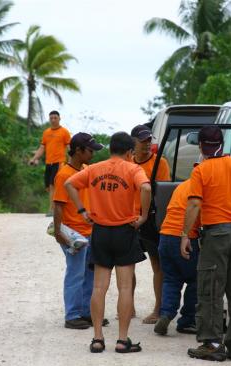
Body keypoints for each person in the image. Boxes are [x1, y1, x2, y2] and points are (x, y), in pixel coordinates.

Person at [180, 125, 231, 362]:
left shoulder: (201, 170)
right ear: (222, 144)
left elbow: (194, 204)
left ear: (201, 146)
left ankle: (213, 344)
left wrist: (185, 234)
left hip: (216, 236)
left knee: (211, 289)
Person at [65, 132, 151, 353]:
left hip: (100, 231)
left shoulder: (93, 169)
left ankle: (97, 338)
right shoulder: (133, 169)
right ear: (130, 151)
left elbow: (69, 184)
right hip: (125, 230)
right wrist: (142, 217)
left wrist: (83, 211)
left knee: (98, 287)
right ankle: (122, 340)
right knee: (124, 287)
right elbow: (146, 188)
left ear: (111, 148)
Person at [53, 132, 105, 329]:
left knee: (89, 273)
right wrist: (59, 232)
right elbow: (58, 205)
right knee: (75, 273)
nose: (92, 154)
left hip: (89, 231)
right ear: (78, 151)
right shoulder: (64, 175)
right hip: (73, 233)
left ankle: (86, 312)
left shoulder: (85, 169)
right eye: (90, 150)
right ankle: (72, 315)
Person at [131, 124, 170, 324]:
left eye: (149, 140)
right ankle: (129, 307)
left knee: (157, 264)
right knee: (128, 265)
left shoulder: (159, 163)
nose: (147, 144)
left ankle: (158, 309)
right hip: (130, 219)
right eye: (142, 141)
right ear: (133, 143)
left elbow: (163, 194)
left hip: (151, 220)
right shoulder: (127, 163)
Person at [154, 178, 200, 336]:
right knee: (196, 279)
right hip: (184, 238)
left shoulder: (183, 186)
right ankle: (187, 320)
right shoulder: (201, 187)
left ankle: (166, 314)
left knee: (171, 279)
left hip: (165, 235)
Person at [29, 111, 71, 216]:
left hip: (59, 162)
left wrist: (70, 162)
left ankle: (52, 210)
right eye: (51, 118)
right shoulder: (46, 132)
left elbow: (69, 148)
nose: (53, 120)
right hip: (49, 163)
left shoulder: (64, 132)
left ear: (59, 118)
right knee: (48, 187)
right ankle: (59, 206)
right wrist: (34, 158)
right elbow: (42, 148)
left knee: (53, 186)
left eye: (55, 118)